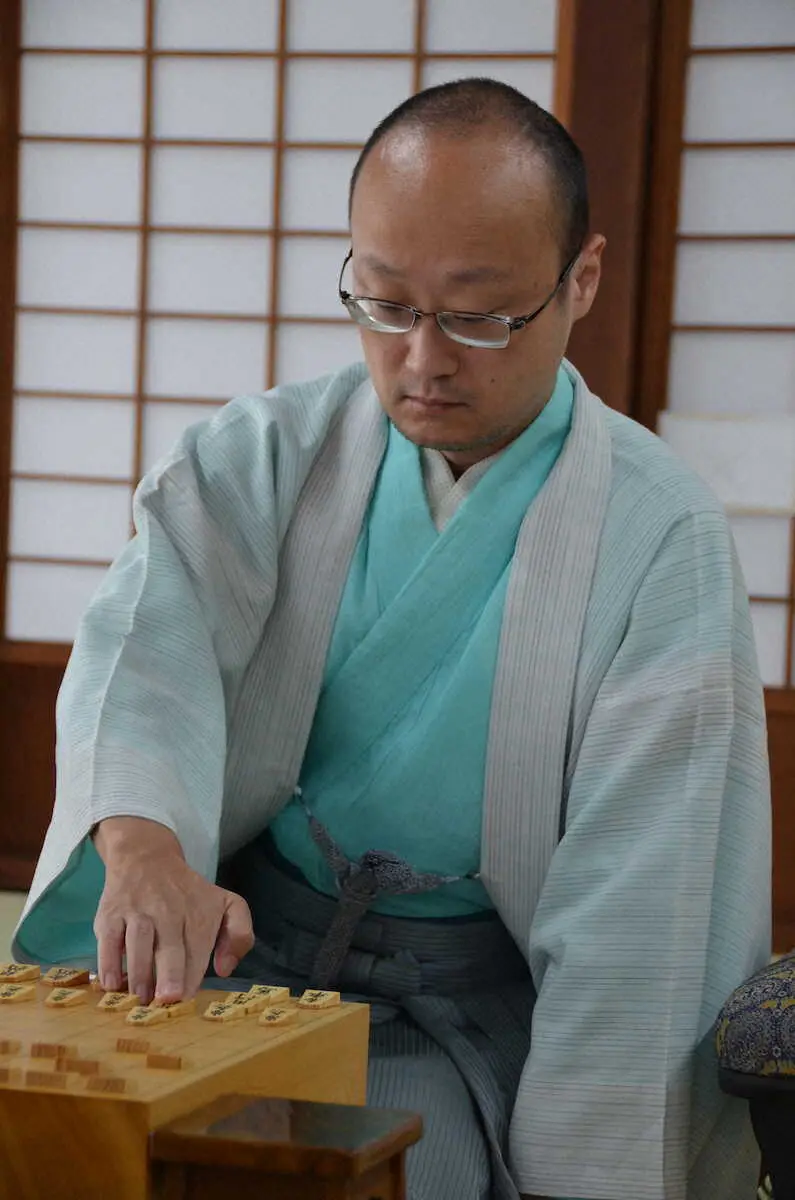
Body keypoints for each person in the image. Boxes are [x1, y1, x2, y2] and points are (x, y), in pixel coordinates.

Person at [14, 79, 770, 1200]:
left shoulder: (659, 540)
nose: (423, 360)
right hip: (229, 972)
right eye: (384, 304)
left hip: (458, 1014)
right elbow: (146, 650)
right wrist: (145, 849)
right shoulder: (262, 458)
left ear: (581, 279)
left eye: (477, 315)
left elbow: (639, 918)